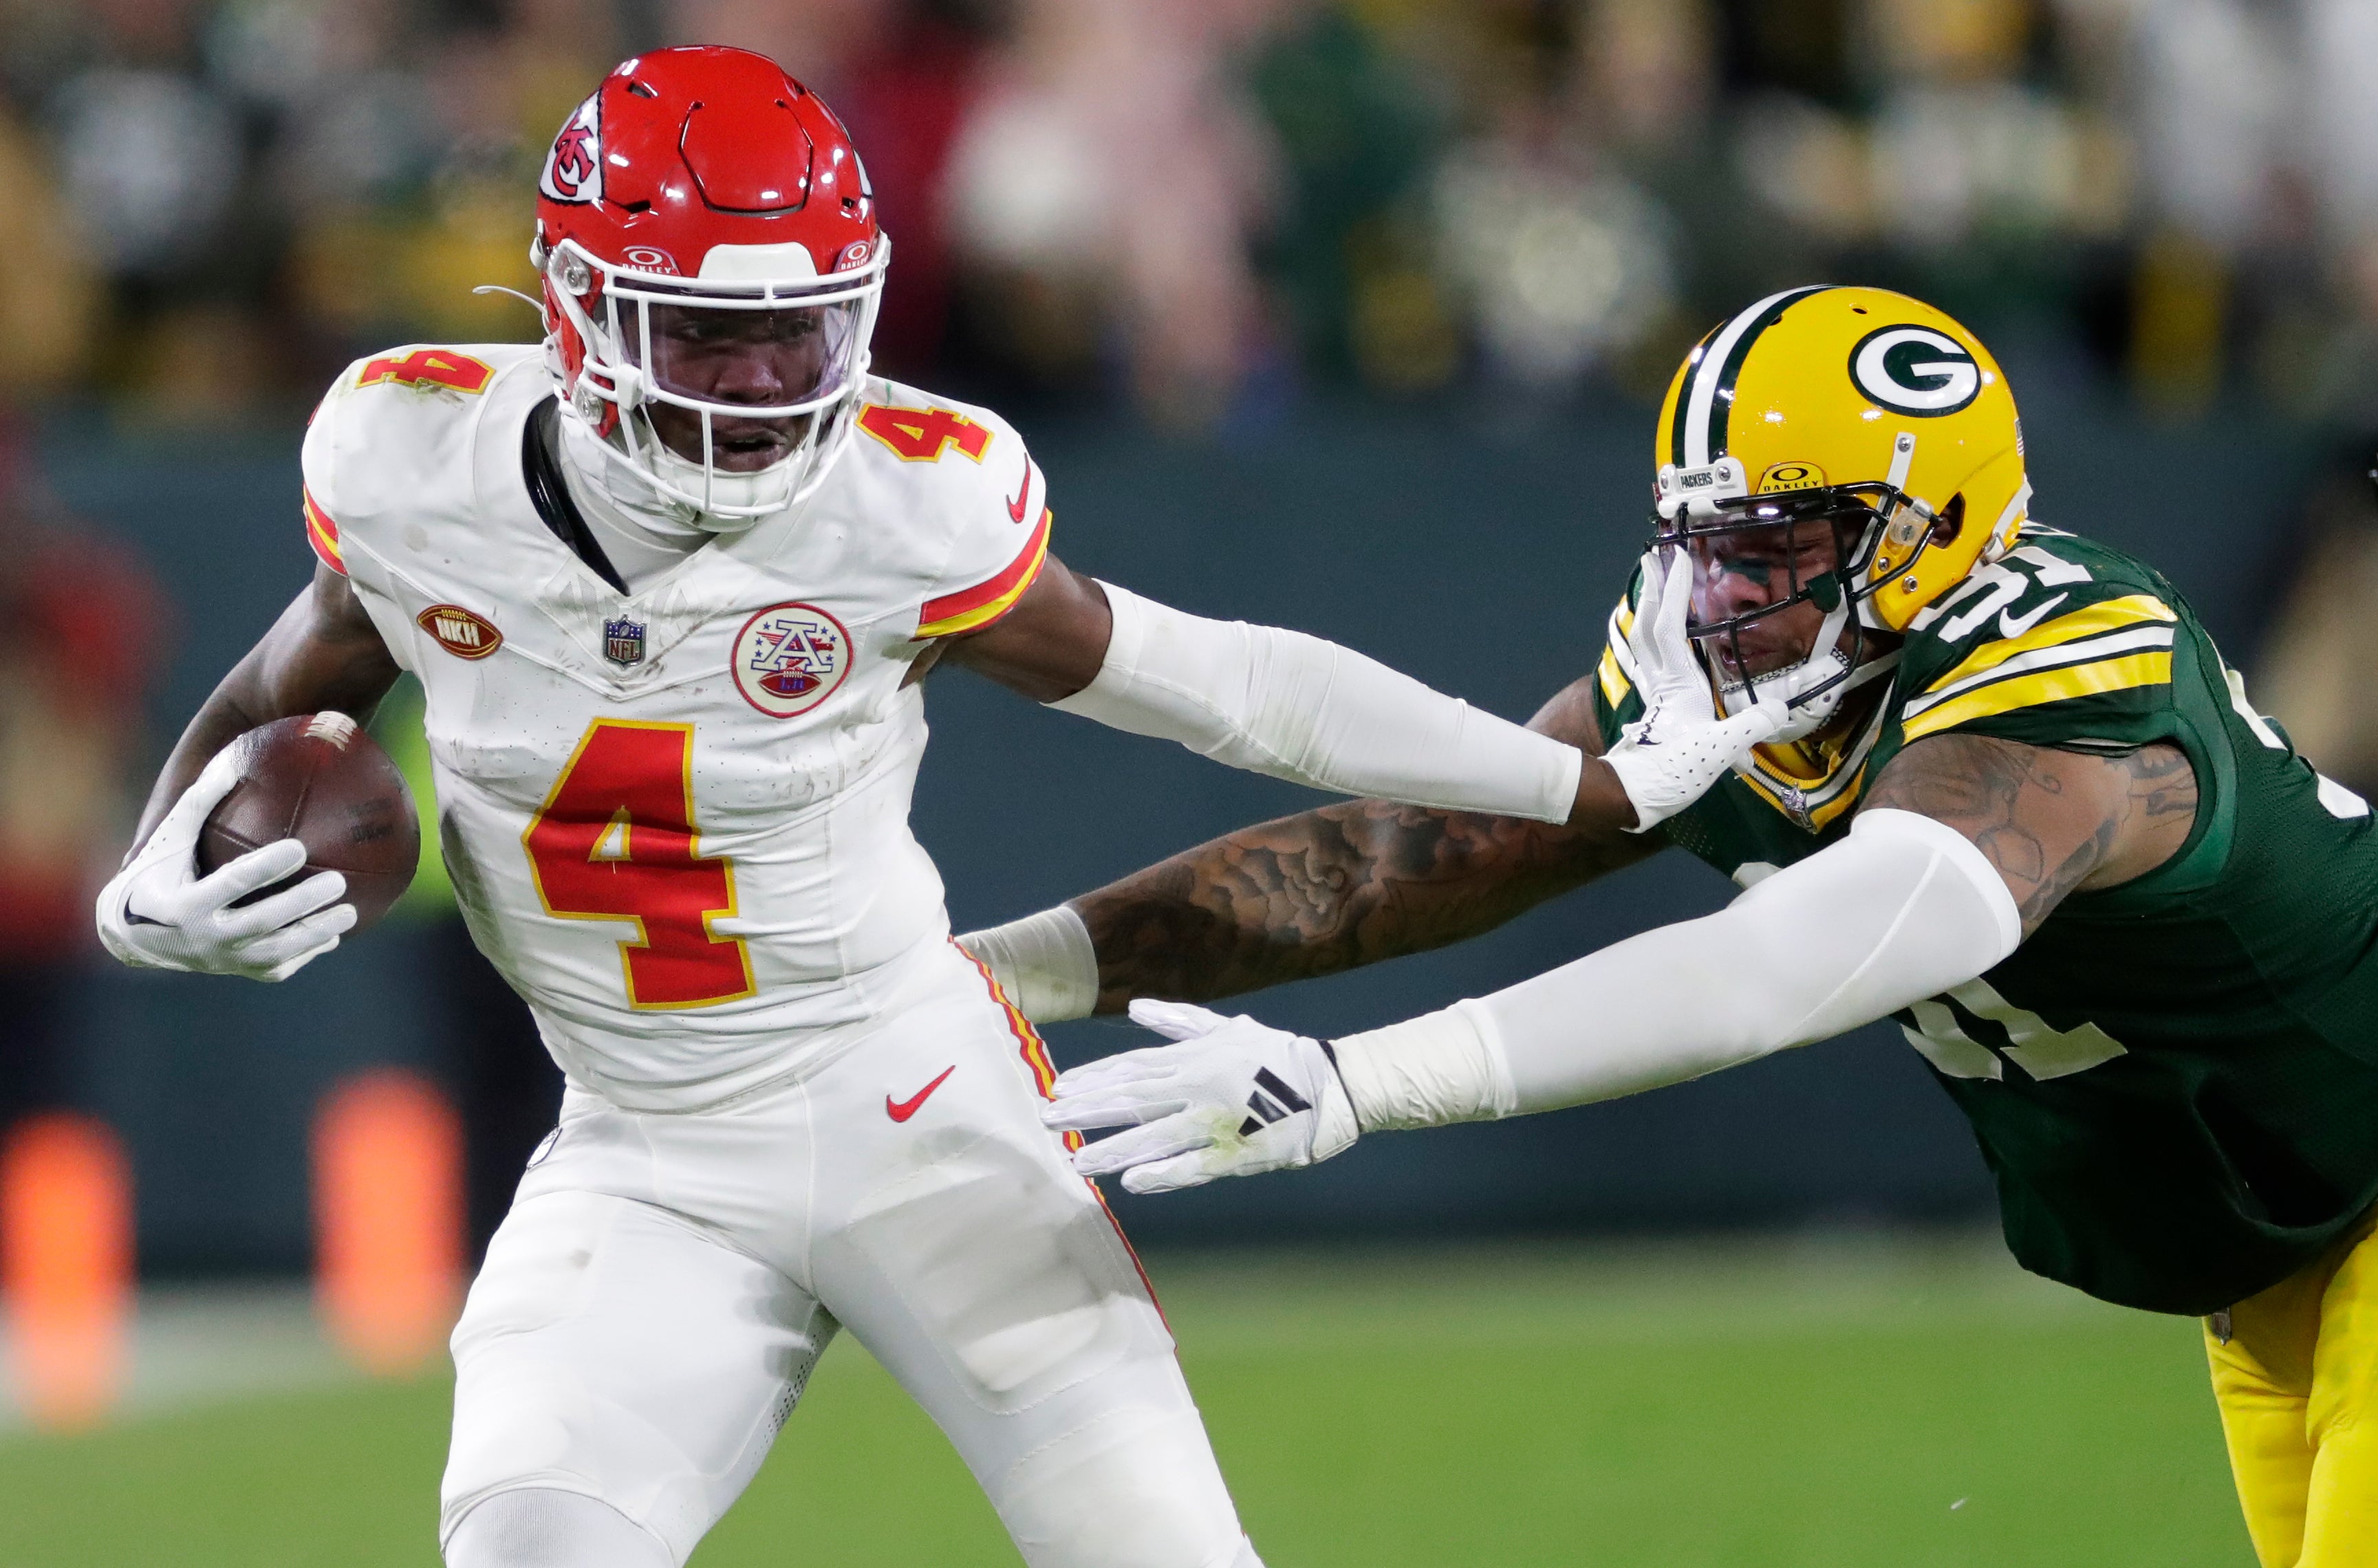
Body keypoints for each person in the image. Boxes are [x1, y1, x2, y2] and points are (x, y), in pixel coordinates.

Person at [87, 46, 1782, 1568]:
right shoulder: (412, 463)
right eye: (709, 333)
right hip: (640, 1151)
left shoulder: (905, 502)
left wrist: (1578, 778)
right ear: (574, 306)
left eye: (798, 330)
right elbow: (278, 696)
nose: (763, 385)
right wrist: (146, 880)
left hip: (913, 1103)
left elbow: (1228, 686)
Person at [964, 285, 2378, 1568]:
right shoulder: (1741, 680)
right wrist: (999, 974)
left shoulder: (2059, 668)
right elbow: (1397, 859)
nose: (1724, 600)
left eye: (1775, 547)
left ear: (1930, 532)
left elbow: (1786, 962)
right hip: (2279, 1254)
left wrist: (1354, 1083)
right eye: (1702, 547)